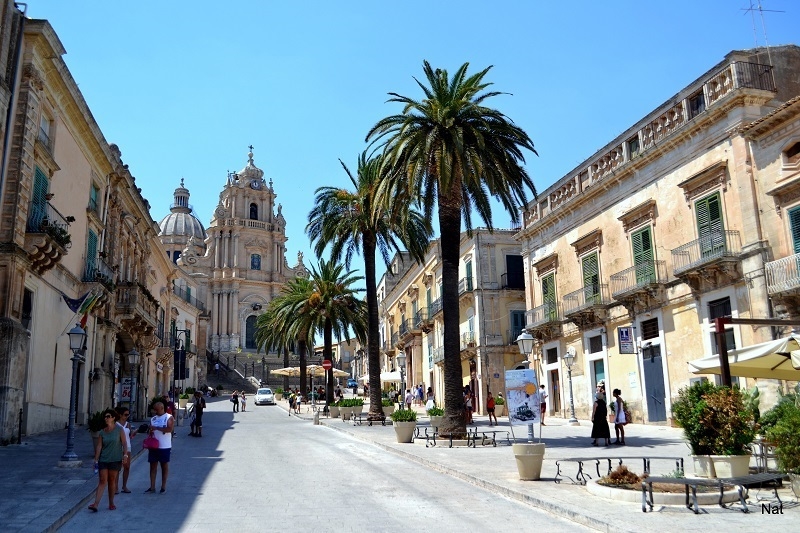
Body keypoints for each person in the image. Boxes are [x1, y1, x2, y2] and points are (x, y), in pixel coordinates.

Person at [88, 408, 128, 512]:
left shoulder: (119, 430)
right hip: (104, 459)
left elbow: (124, 443)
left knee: (111, 481)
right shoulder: (102, 432)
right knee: (102, 480)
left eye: (108, 416)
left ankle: (111, 502)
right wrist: (96, 460)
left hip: (115, 459)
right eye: (105, 417)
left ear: (113, 418)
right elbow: (99, 446)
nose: (106, 418)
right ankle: (96, 504)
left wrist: (125, 455)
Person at [146, 400, 174, 494]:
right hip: (154, 446)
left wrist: (157, 428)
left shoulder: (169, 417)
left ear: (162, 408)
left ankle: (163, 486)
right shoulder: (153, 419)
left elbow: (169, 429)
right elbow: (151, 430)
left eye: (156, 409)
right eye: (154, 409)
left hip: (164, 446)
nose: (155, 411)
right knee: (152, 466)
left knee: (164, 466)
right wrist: (150, 431)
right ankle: (152, 486)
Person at [114, 406, 136, 493]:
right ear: (120, 415)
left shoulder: (128, 424)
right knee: (117, 468)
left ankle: (124, 486)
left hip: (128, 447)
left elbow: (130, 436)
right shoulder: (115, 424)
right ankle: (115, 487)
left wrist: (135, 432)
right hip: (118, 447)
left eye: (128, 414)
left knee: (127, 467)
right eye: (125, 414)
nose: (127, 416)